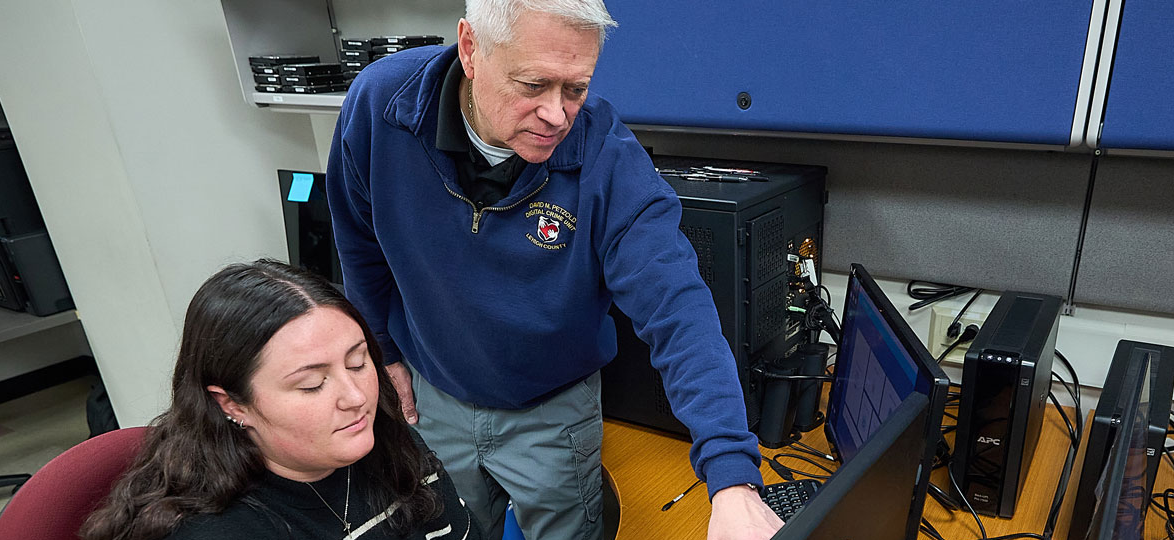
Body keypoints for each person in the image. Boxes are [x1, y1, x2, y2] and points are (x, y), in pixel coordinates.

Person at [326, 0, 782, 539]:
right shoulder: (383, 106)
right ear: (471, 49)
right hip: (434, 394)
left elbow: (679, 307)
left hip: (552, 407)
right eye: (533, 84)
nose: (556, 115)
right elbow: (358, 236)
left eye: (575, 88)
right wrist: (385, 349)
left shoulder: (605, 158)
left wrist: (731, 479)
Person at [81, 260, 477, 540]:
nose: (357, 399)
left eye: (358, 363)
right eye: (311, 385)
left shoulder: (390, 443)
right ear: (232, 404)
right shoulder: (219, 531)